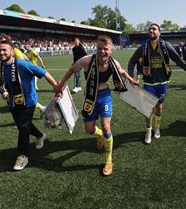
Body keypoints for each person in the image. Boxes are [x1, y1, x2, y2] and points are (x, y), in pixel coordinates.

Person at [56, 35, 138, 176]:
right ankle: (99, 134)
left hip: (105, 96)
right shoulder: (87, 60)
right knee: (89, 130)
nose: (102, 51)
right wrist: (60, 85)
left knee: (106, 127)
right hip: (90, 97)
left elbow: (122, 71)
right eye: (99, 48)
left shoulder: (114, 63)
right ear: (96, 48)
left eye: (105, 49)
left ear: (111, 50)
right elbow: (72, 70)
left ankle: (109, 160)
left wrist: (130, 80)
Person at [128, 23, 186, 144]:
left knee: (159, 108)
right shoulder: (143, 47)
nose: (151, 30)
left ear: (159, 32)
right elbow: (132, 61)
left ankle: (157, 128)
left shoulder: (165, 45)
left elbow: (178, 59)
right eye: (150, 29)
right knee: (148, 109)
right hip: (149, 83)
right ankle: (148, 131)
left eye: (154, 29)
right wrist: (131, 77)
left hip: (162, 83)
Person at [0, 40, 59, 171]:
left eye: (4, 50)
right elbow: (1, 82)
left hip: (29, 101)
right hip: (13, 101)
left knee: (23, 128)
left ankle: (23, 155)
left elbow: (44, 72)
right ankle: (40, 135)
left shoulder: (22, 64)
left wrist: (55, 86)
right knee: (23, 125)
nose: (1, 52)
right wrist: (4, 91)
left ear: (12, 51)